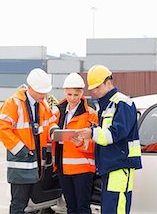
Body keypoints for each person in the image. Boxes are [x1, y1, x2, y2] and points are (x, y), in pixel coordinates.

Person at [76, 65, 142, 214]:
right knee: (108, 209)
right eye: (92, 88)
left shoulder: (122, 103)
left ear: (108, 82)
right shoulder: (107, 105)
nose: (94, 91)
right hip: (110, 166)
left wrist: (92, 133)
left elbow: (115, 133)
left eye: (97, 87)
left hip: (120, 165)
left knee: (116, 209)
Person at [0, 68, 53, 214]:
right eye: (41, 92)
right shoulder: (14, 103)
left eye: (45, 92)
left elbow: (50, 123)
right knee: (19, 204)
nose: (44, 95)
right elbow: (2, 128)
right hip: (21, 163)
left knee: (32, 205)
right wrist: (21, 150)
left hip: (36, 165)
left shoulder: (43, 104)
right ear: (30, 88)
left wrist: (54, 131)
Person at [49, 72, 98, 214]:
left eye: (76, 95)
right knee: (70, 208)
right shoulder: (58, 111)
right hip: (63, 168)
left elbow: (96, 144)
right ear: (65, 92)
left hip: (83, 169)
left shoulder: (91, 114)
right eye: (69, 94)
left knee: (82, 208)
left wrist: (80, 144)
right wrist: (53, 131)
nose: (72, 98)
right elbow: (49, 127)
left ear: (82, 93)